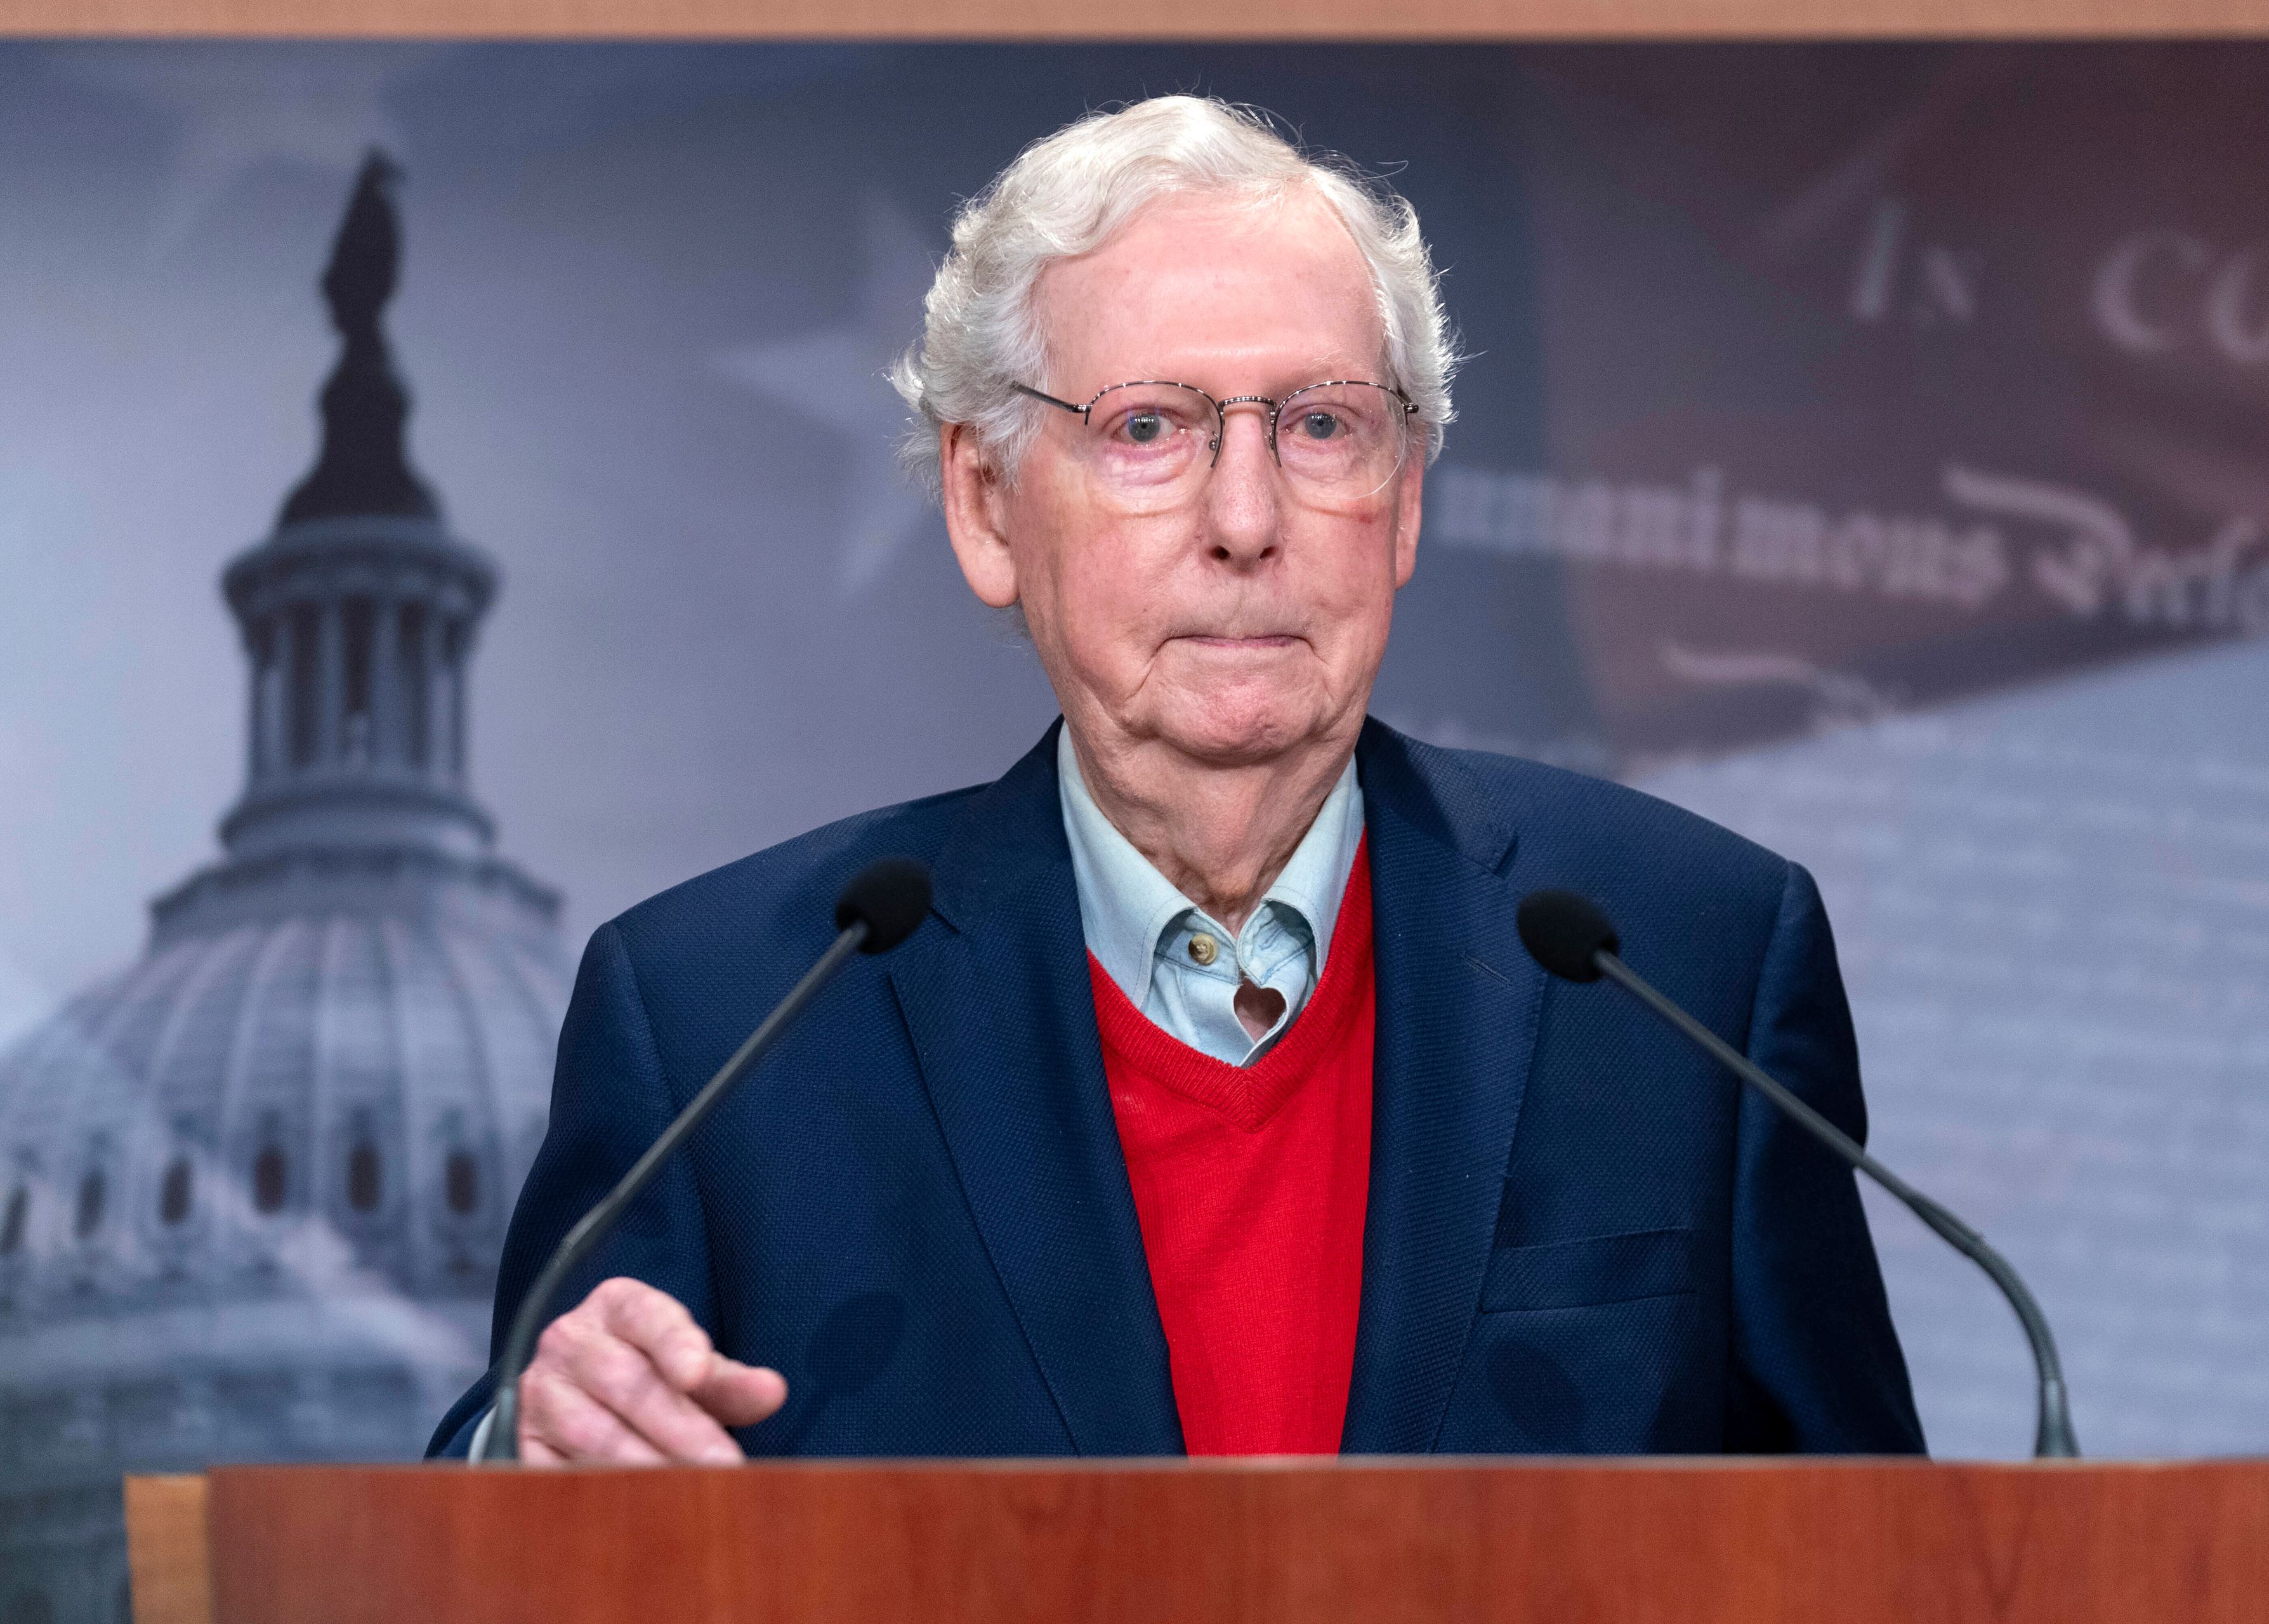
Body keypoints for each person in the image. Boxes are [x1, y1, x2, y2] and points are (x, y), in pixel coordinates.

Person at [428, 95, 1922, 1465]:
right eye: (1149, 428)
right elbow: (498, 1517)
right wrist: (526, 1454)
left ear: (1404, 500)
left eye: (1322, 424)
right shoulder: (724, 1019)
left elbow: (1878, 1560)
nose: (1248, 517)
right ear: (985, 502)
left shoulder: (1681, 961)